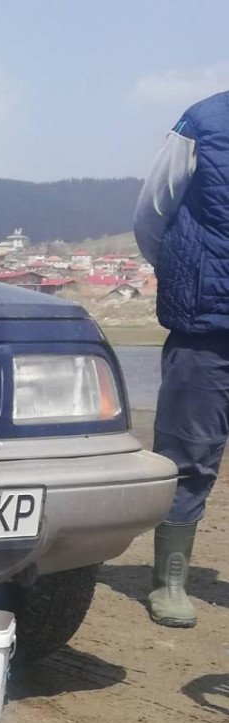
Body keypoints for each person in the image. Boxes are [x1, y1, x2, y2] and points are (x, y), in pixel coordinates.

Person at [133, 89, 229, 628]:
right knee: (188, 452)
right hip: (208, 322)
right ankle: (170, 579)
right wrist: (183, 275)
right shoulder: (206, 122)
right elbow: (153, 213)